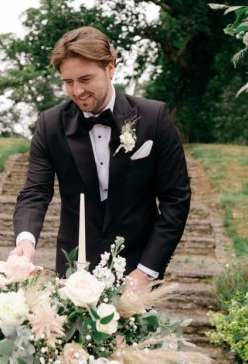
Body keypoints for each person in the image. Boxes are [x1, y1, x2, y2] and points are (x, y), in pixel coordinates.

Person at [10, 26, 191, 292]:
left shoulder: (154, 118)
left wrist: (146, 272)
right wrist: (25, 241)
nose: (77, 91)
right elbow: (35, 192)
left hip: (137, 267)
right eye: (68, 82)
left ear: (110, 68)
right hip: (74, 270)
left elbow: (176, 199)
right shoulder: (50, 125)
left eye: (85, 79)